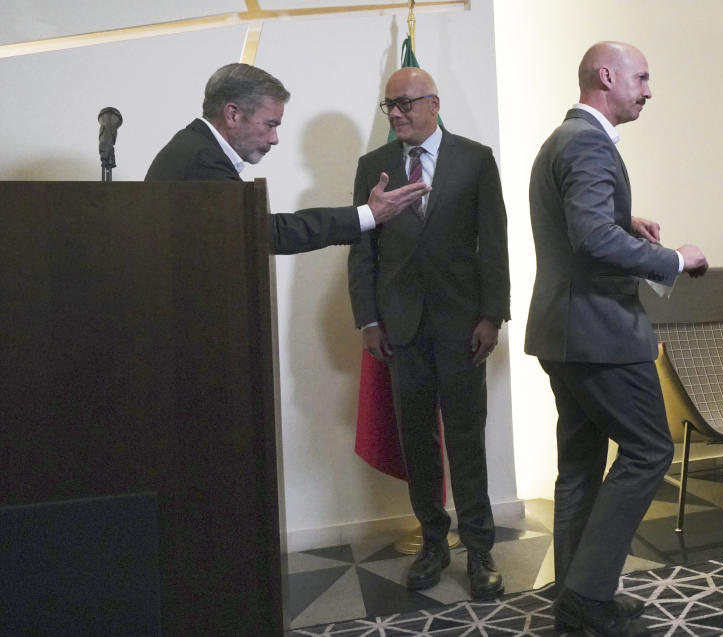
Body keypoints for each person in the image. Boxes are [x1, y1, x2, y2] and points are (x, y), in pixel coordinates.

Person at [525, 42, 708, 637]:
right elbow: (592, 241)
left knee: (579, 466)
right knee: (649, 451)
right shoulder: (587, 142)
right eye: (643, 77)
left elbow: (582, 225)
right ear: (607, 76)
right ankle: (587, 596)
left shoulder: (563, 139)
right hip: (600, 334)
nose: (649, 90)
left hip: (563, 331)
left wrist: (620, 218)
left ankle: (577, 602)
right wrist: (674, 259)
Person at [347, 67, 510, 600]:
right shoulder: (372, 167)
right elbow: (362, 252)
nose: (396, 113)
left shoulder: (475, 158)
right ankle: (433, 542)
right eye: (388, 106)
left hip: (464, 326)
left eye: (406, 103)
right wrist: (368, 320)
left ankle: (480, 546)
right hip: (401, 329)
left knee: (466, 437)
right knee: (417, 438)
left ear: (434, 104)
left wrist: (493, 315)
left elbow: (494, 243)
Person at [145, 62, 428, 254]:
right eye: (270, 125)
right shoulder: (200, 159)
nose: (274, 139)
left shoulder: (195, 148)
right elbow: (265, 233)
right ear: (233, 114)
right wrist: (369, 213)